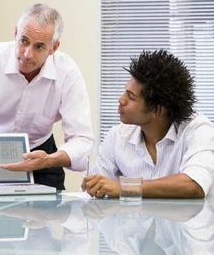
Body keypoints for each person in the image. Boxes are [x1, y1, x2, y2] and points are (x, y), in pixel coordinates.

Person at [0, 3, 94, 189]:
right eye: (23, 41)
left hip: (42, 154)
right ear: (15, 34)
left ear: (54, 47)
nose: (27, 54)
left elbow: (82, 138)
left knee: (53, 214)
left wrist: (50, 160)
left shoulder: (67, 72)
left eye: (39, 47)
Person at [83, 49, 214, 199]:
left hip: (189, 222)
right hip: (136, 222)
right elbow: (97, 187)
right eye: (125, 92)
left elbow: (193, 185)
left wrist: (125, 187)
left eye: (131, 97)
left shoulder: (198, 130)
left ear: (156, 110)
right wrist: (94, 186)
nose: (121, 99)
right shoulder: (118, 136)